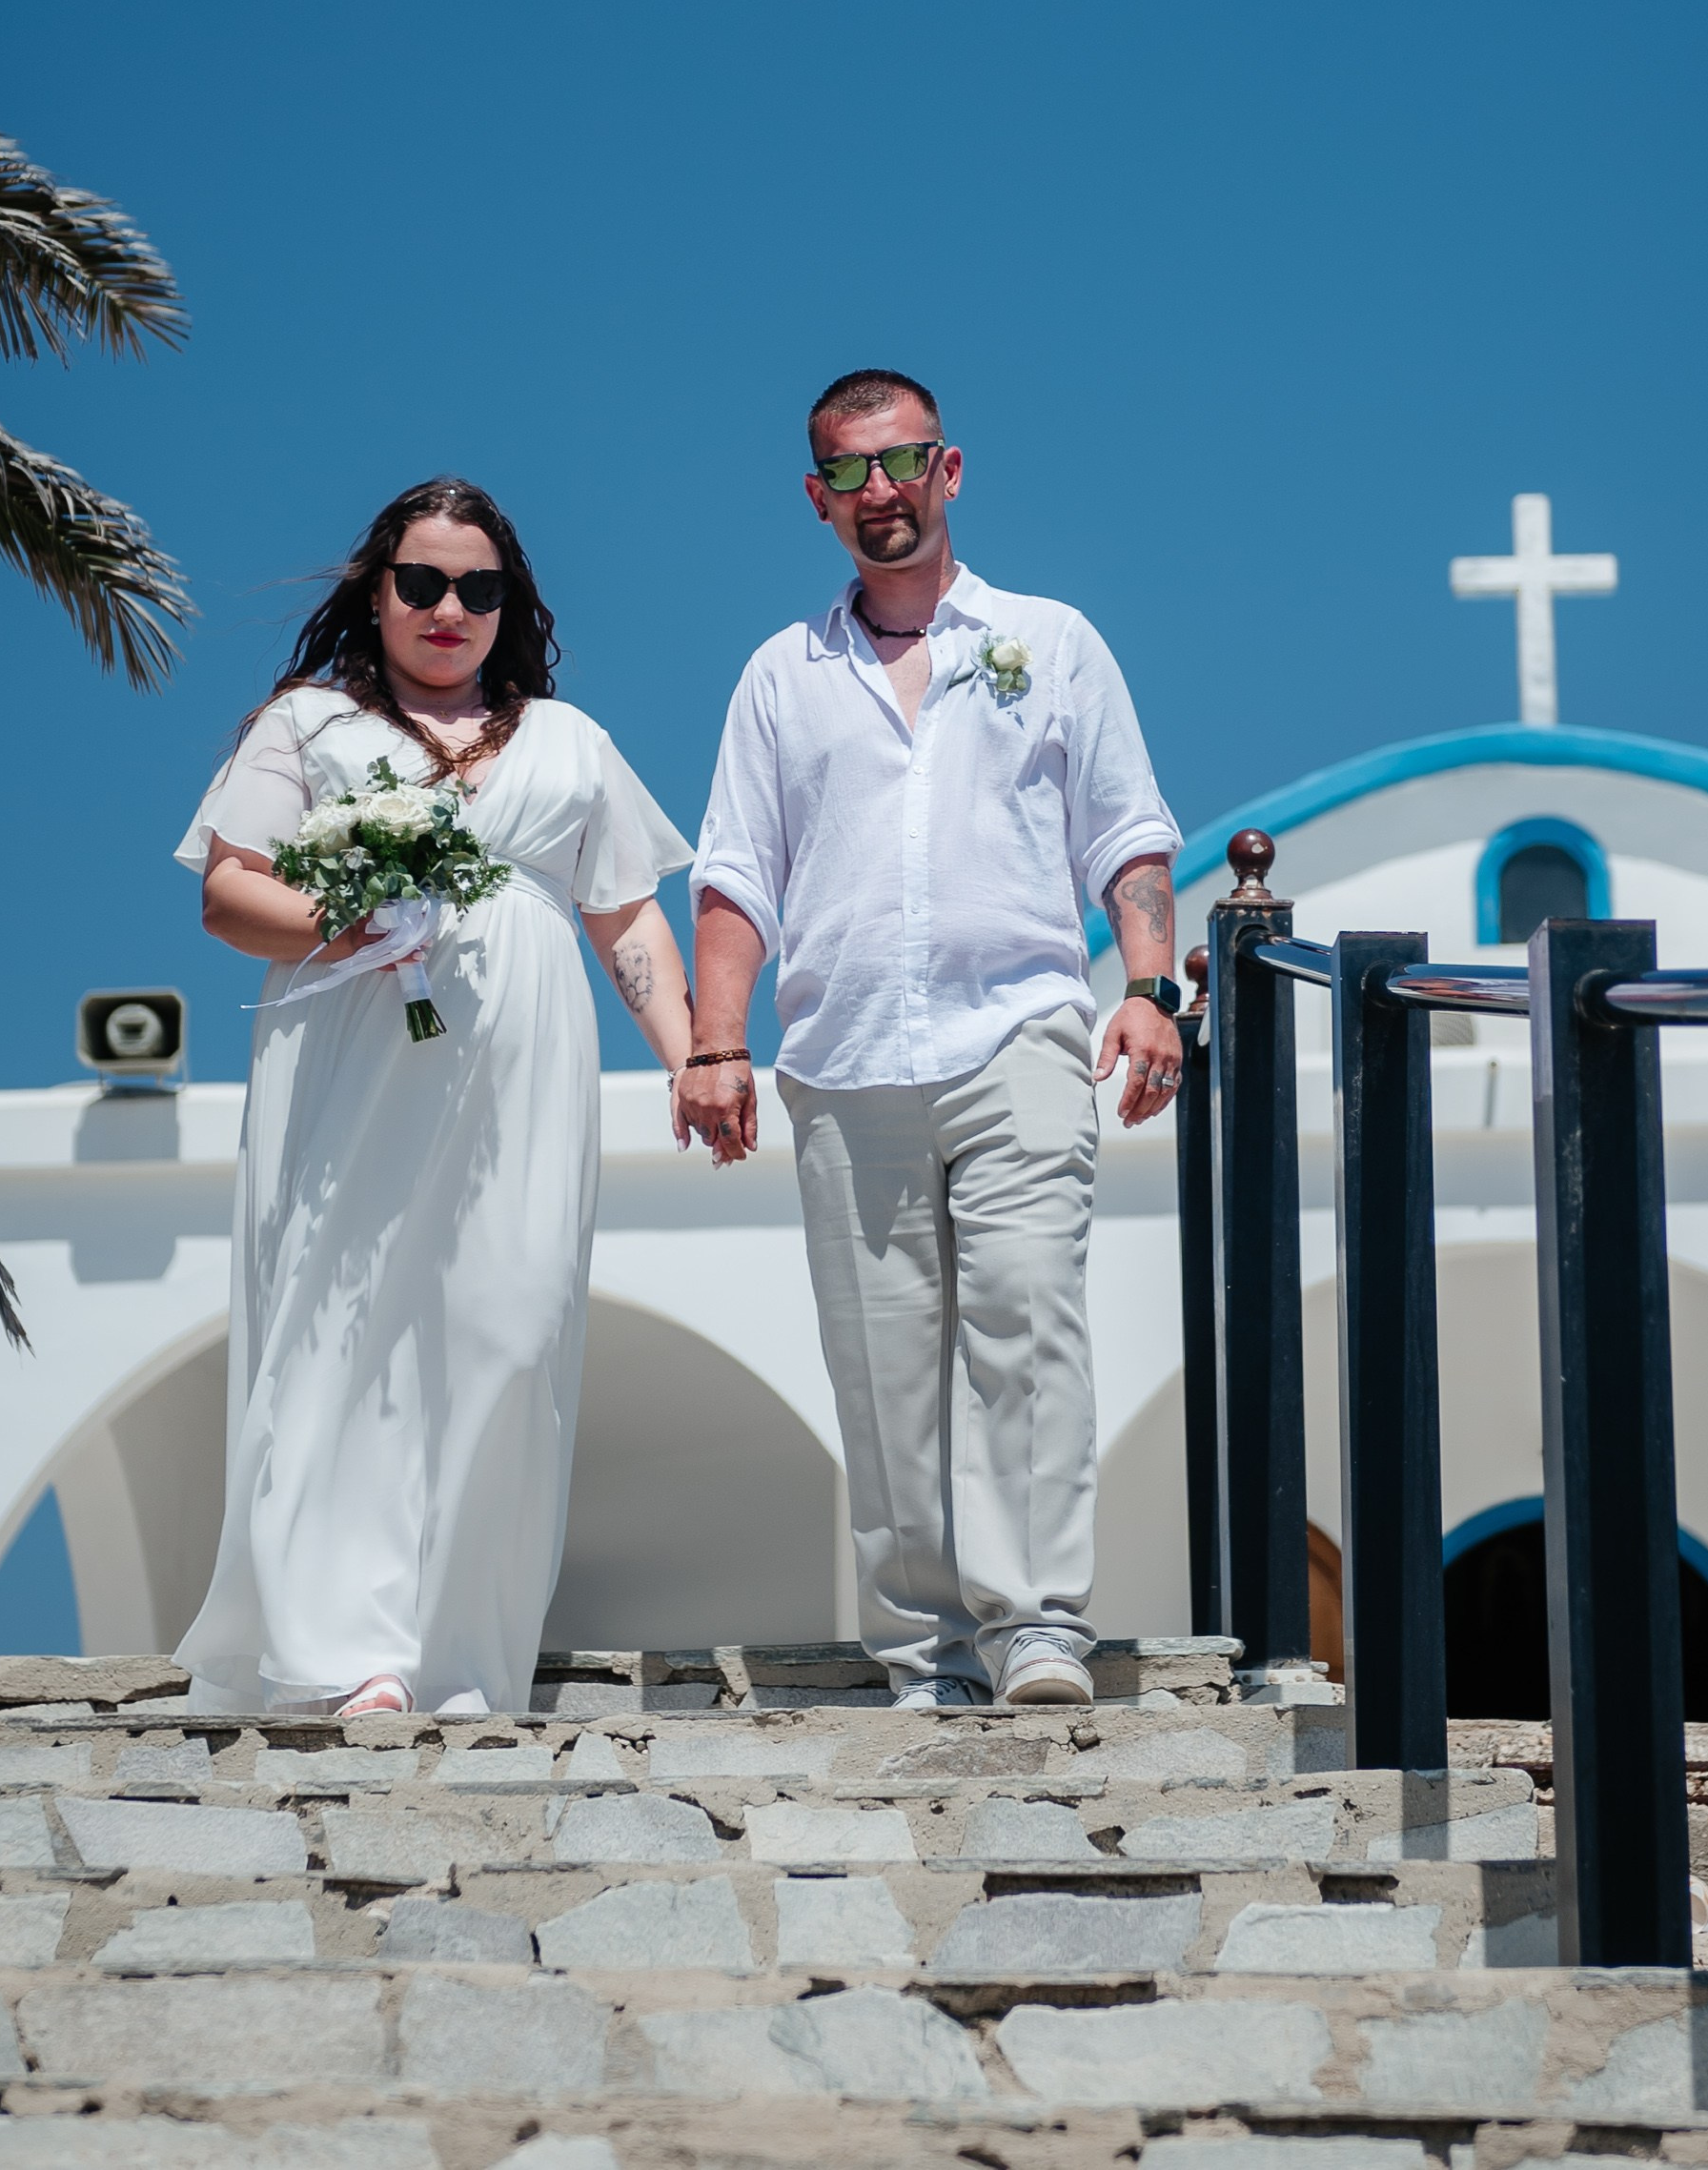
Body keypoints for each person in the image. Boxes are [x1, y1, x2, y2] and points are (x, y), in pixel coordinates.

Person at [678, 370, 1185, 1713]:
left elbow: (1126, 831)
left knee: (1029, 1317)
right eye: (849, 472)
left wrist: (1151, 986)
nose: (880, 491)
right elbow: (736, 873)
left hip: (1019, 1034)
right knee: (883, 1367)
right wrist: (715, 1045)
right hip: (844, 1061)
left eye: (902, 461)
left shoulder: (1050, 641)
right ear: (817, 497)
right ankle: (926, 1652)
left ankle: (1037, 1626)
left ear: (948, 470)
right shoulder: (780, 676)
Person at [174, 477, 695, 1719]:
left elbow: (626, 915)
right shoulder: (308, 723)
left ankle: (463, 1657)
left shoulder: (569, 741)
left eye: (478, 587)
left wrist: (695, 1058)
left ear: (511, 603)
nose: (448, 607)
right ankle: (350, 1649)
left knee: (511, 1331)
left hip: (526, 1066)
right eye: (421, 582)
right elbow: (228, 892)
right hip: (353, 1048)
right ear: (377, 591)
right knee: (347, 1324)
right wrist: (343, 921)